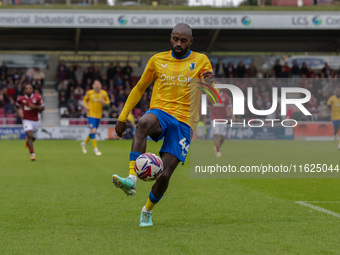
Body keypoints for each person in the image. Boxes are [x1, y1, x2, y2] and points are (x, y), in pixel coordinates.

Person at [111, 23, 215, 227]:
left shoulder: (201, 60)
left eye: (183, 40)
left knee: (165, 174)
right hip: (162, 112)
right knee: (143, 122)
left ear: (190, 42)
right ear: (171, 38)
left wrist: (211, 84)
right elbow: (140, 87)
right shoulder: (157, 60)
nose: (178, 43)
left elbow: (210, 92)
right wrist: (122, 117)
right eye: (175, 39)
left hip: (185, 121)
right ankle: (131, 179)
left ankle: (147, 211)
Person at [15, 84, 45, 161]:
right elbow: (16, 106)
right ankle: (32, 155)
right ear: (24, 90)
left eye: (30, 88)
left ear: (32, 90)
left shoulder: (37, 97)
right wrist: (19, 113)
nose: (28, 90)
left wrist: (35, 107)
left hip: (35, 120)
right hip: (26, 119)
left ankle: (27, 140)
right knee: (30, 135)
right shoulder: (20, 99)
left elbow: (43, 108)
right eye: (27, 88)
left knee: (32, 138)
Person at [81, 80, 110, 156]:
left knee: (93, 131)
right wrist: (86, 106)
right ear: (93, 86)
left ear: (101, 86)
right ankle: (95, 149)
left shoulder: (104, 93)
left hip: (99, 115)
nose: (97, 86)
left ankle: (84, 143)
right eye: (95, 84)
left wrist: (105, 102)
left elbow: (108, 101)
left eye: (98, 84)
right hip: (90, 114)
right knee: (93, 130)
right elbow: (84, 99)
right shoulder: (89, 93)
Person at [210, 89, 234, 157]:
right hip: (214, 118)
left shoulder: (226, 97)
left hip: (223, 119)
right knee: (216, 135)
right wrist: (205, 117)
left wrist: (233, 115)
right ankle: (218, 151)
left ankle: (217, 147)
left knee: (223, 137)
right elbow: (208, 107)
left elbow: (229, 107)